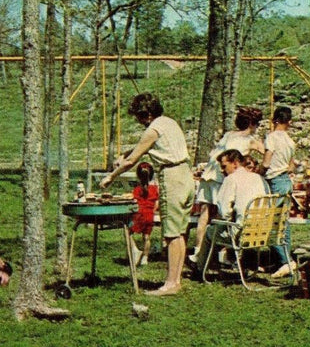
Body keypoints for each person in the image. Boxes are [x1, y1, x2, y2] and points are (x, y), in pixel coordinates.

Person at [100, 93, 195, 297]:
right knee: (179, 231)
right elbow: (139, 150)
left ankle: (170, 283)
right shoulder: (169, 122)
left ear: (147, 114)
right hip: (186, 174)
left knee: (171, 233)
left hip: (172, 177)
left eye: (139, 117)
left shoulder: (153, 129)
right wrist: (124, 155)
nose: (139, 121)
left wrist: (110, 177)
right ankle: (175, 280)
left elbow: (133, 160)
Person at [190, 106, 265, 262]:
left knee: (204, 215)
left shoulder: (228, 135)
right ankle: (219, 254)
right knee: (223, 214)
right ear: (252, 124)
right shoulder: (250, 140)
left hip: (209, 173)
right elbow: (267, 153)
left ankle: (198, 250)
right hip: (222, 176)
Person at [195, 148, 269, 272]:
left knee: (209, 231)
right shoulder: (259, 179)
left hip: (242, 233)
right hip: (263, 231)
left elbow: (224, 211)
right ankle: (247, 265)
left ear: (235, 163)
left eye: (224, 167)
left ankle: (200, 269)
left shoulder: (231, 179)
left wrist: (227, 218)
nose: (223, 171)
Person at [261, 106, 297, 276]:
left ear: (274, 120)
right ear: (289, 122)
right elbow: (291, 165)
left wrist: (257, 173)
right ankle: (283, 260)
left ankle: (286, 261)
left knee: (272, 222)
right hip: (285, 179)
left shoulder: (271, 137)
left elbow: (267, 163)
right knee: (284, 222)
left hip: (274, 181)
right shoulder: (290, 141)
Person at [129, 162, 159, 267]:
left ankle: (135, 250)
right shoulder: (154, 189)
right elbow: (156, 204)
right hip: (149, 215)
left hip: (139, 214)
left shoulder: (137, 189)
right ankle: (145, 258)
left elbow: (134, 202)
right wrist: (152, 211)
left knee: (128, 232)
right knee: (147, 237)